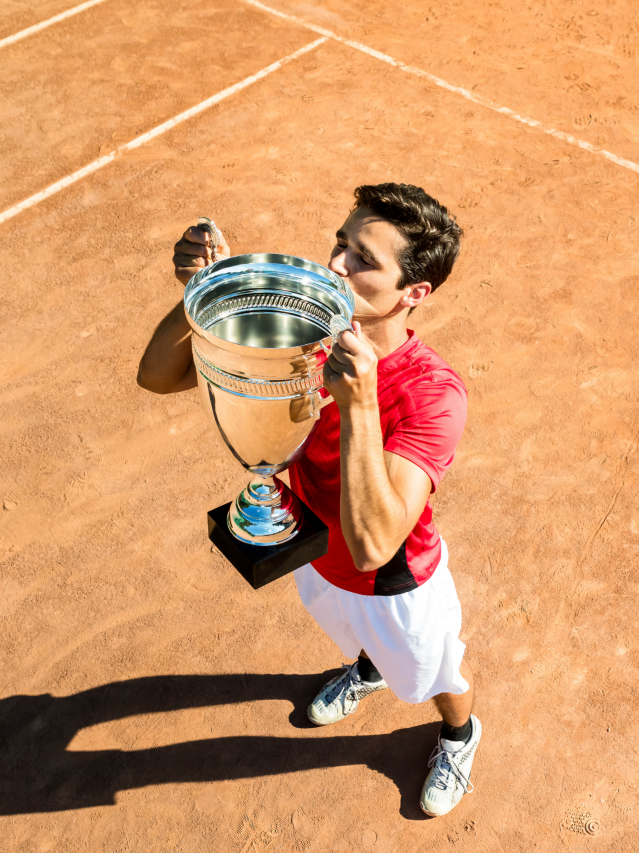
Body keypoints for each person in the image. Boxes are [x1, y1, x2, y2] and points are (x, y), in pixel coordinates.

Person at [137, 183, 478, 817]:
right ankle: (367, 668)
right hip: (311, 549)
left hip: (395, 586)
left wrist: (359, 404)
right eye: (340, 244)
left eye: (362, 261)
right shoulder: (312, 331)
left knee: (434, 677)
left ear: (415, 292)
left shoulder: (434, 394)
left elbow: (378, 547)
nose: (335, 267)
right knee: (351, 638)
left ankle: (459, 733)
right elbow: (158, 377)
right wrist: (205, 298)